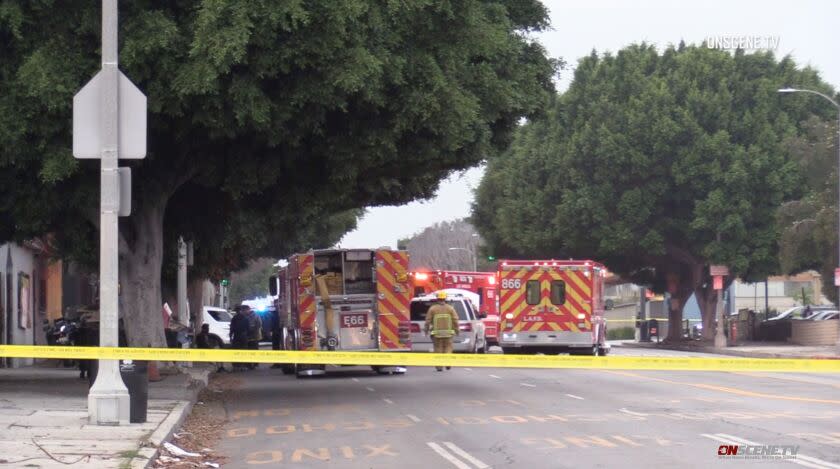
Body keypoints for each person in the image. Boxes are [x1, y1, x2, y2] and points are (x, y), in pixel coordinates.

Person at [424, 291, 460, 371]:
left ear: (437, 299)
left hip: (437, 334)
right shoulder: (450, 308)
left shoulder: (432, 309)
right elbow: (455, 320)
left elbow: (427, 321)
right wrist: (457, 331)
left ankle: (439, 367)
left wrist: (426, 331)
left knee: (438, 349)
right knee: (448, 348)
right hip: (448, 334)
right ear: (445, 299)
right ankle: (447, 363)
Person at [229, 306, 250, 371]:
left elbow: (232, 328)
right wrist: (248, 336)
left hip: (237, 336)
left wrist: (230, 336)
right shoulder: (246, 318)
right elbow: (248, 328)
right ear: (240, 310)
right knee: (244, 350)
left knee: (236, 351)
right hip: (243, 336)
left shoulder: (234, 318)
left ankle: (236, 365)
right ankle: (243, 365)